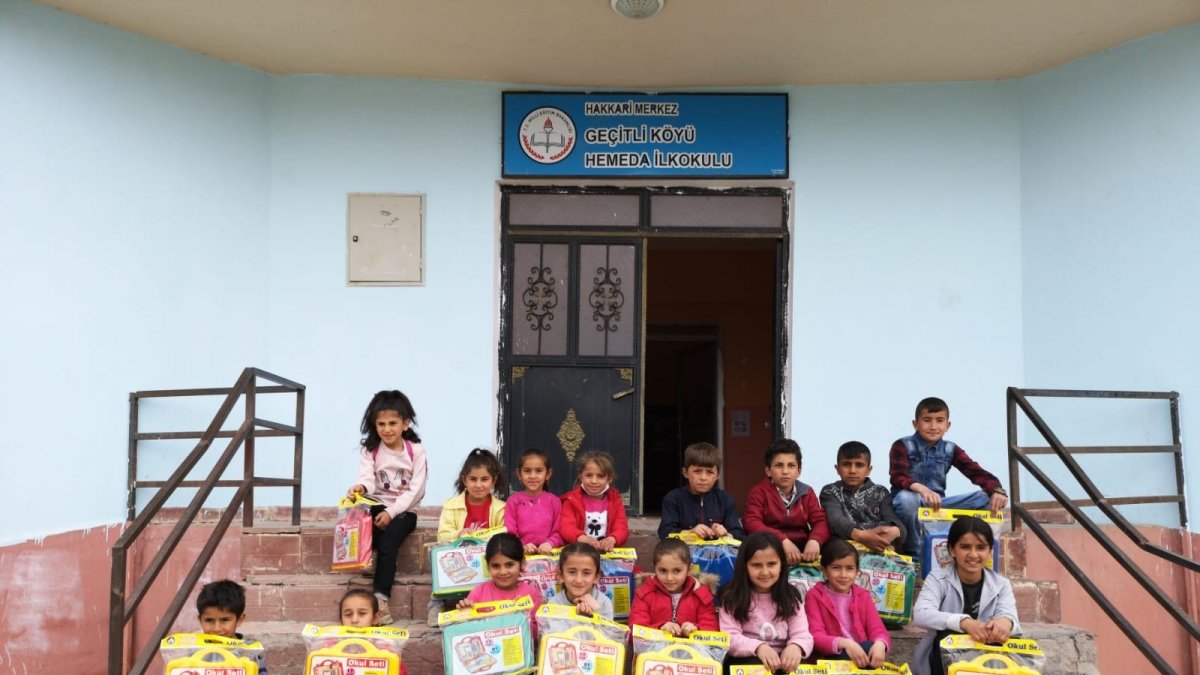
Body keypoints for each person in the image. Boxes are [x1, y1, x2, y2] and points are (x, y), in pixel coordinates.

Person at [345, 390, 428, 625]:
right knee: (360, 524)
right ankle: (364, 558)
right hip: (378, 503)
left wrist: (391, 513)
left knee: (389, 542)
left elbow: (416, 491)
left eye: (393, 423)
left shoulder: (416, 451)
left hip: (405, 510)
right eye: (381, 424)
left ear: (405, 423)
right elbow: (368, 480)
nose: (387, 429)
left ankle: (380, 598)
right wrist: (359, 488)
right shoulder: (370, 450)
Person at [890, 397, 1008, 556]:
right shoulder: (902, 445)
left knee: (986, 498)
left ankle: (979, 550)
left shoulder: (950, 449)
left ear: (948, 425)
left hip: (938, 504)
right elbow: (898, 476)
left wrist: (997, 490)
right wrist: (921, 489)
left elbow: (975, 471)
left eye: (939, 421)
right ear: (915, 424)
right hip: (911, 503)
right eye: (926, 420)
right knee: (907, 499)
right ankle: (914, 554)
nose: (933, 426)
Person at [912, 516, 1020, 675]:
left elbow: (1010, 616)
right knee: (947, 634)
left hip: (986, 662)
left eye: (981, 547)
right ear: (951, 550)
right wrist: (964, 623)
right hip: (943, 662)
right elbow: (921, 614)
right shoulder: (938, 578)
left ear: (990, 551)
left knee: (1005, 638)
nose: (973, 554)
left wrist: (1005, 623)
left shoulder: (1001, 584)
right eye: (965, 547)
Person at [717, 532, 812, 673]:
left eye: (772, 564)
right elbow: (730, 638)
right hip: (747, 661)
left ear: (781, 564)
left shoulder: (791, 596)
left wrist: (796, 647)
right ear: (744, 566)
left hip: (783, 661)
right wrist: (759, 647)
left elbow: (803, 635)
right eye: (756, 565)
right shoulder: (732, 597)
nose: (765, 572)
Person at [805, 539, 891, 668]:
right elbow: (816, 636)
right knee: (866, 648)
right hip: (830, 657)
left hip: (860, 655)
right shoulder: (814, 595)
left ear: (857, 571)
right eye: (836, 568)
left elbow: (877, 629)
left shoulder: (863, 595)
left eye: (850, 568)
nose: (843, 575)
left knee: (871, 647)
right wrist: (845, 644)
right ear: (824, 570)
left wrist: (880, 644)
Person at [743, 439, 829, 564]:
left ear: (799, 471)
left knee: (835, 548)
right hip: (770, 545)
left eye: (791, 465)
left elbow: (820, 520)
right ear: (768, 471)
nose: (785, 471)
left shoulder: (807, 492)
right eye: (779, 465)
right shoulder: (758, 492)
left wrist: (815, 540)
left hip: (802, 545)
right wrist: (782, 540)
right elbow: (751, 523)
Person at [819, 441, 905, 553]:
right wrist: (863, 536)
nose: (852, 471)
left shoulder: (880, 492)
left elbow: (895, 522)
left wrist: (896, 531)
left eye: (859, 465)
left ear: (869, 469)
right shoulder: (830, 491)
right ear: (837, 468)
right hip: (844, 548)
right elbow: (836, 521)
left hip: (878, 545)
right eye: (846, 464)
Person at [628, 538, 719, 637]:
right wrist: (660, 628)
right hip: (655, 651)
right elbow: (634, 632)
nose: (669, 578)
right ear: (654, 568)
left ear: (689, 569)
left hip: (691, 651)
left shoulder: (701, 594)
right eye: (663, 570)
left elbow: (713, 632)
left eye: (677, 571)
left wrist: (696, 630)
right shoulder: (644, 593)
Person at [658, 442, 745, 540]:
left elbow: (738, 533)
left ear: (717, 475)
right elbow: (664, 532)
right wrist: (690, 532)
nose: (703, 478)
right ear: (685, 472)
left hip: (719, 552)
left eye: (710, 472)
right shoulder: (673, 499)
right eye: (697, 471)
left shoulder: (725, 500)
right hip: (684, 552)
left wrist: (725, 533)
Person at [457, 533, 543, 631]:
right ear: (488, 566)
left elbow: (538, 633)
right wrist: (464, 615)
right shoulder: (478, 594)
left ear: (522, 563)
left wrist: (519, 616)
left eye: (509, 565)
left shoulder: (530, 594)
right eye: (496, 566)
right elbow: (468, 631)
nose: (503, 572)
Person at [560, 451, 628, 552]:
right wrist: (581, 538)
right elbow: (565, 526)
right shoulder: (571, 500)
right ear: (581, 476)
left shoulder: (615, 501)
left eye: (600, 476)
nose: (594, 481)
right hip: (578, 552)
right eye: (589, 475)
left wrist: (612, 539)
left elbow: (621, 526)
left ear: (609, 479)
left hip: (605, 551)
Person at [196, 579, 268, 674]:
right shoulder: (192, 651)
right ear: (200, 620)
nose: (217, 629)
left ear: (239, 620)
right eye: (209, 620)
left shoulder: (250, 652)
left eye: (225, 620)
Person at [437, 448, 508, 542]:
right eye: (473, 479)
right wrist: (458, 534)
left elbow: (505, 538)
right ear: (464, 480)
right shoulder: (451, 506)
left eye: (484, 479)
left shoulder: (501, 509)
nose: (478, 485)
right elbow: (442, 537)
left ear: (493, 481)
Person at [505, 448, 563, 554]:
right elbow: (510, 531)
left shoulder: (554, 501)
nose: (532, 476)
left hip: (548, 556)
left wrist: (550, 543)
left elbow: (559, 531)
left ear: (548, 474)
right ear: (519, 474)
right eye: (527, 471)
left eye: (538, 471)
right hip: (521, 555)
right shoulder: (513, 501)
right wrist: (521, 545)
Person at [337, 589, 409, 675]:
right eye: (348, 614)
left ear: (375, 618)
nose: (354, 620)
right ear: (341, 620)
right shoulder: (330, 646)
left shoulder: (387, 650)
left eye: (362, 613)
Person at [547, 543, 615, 619]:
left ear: (596, 577)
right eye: (572, 572)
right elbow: (553, 630)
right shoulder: (554, 604)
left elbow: (609, 630)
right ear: (561, 575)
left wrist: (597, 611)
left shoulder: (603, 603)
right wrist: (579, 618)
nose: (578, 580)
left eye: (586, 573)